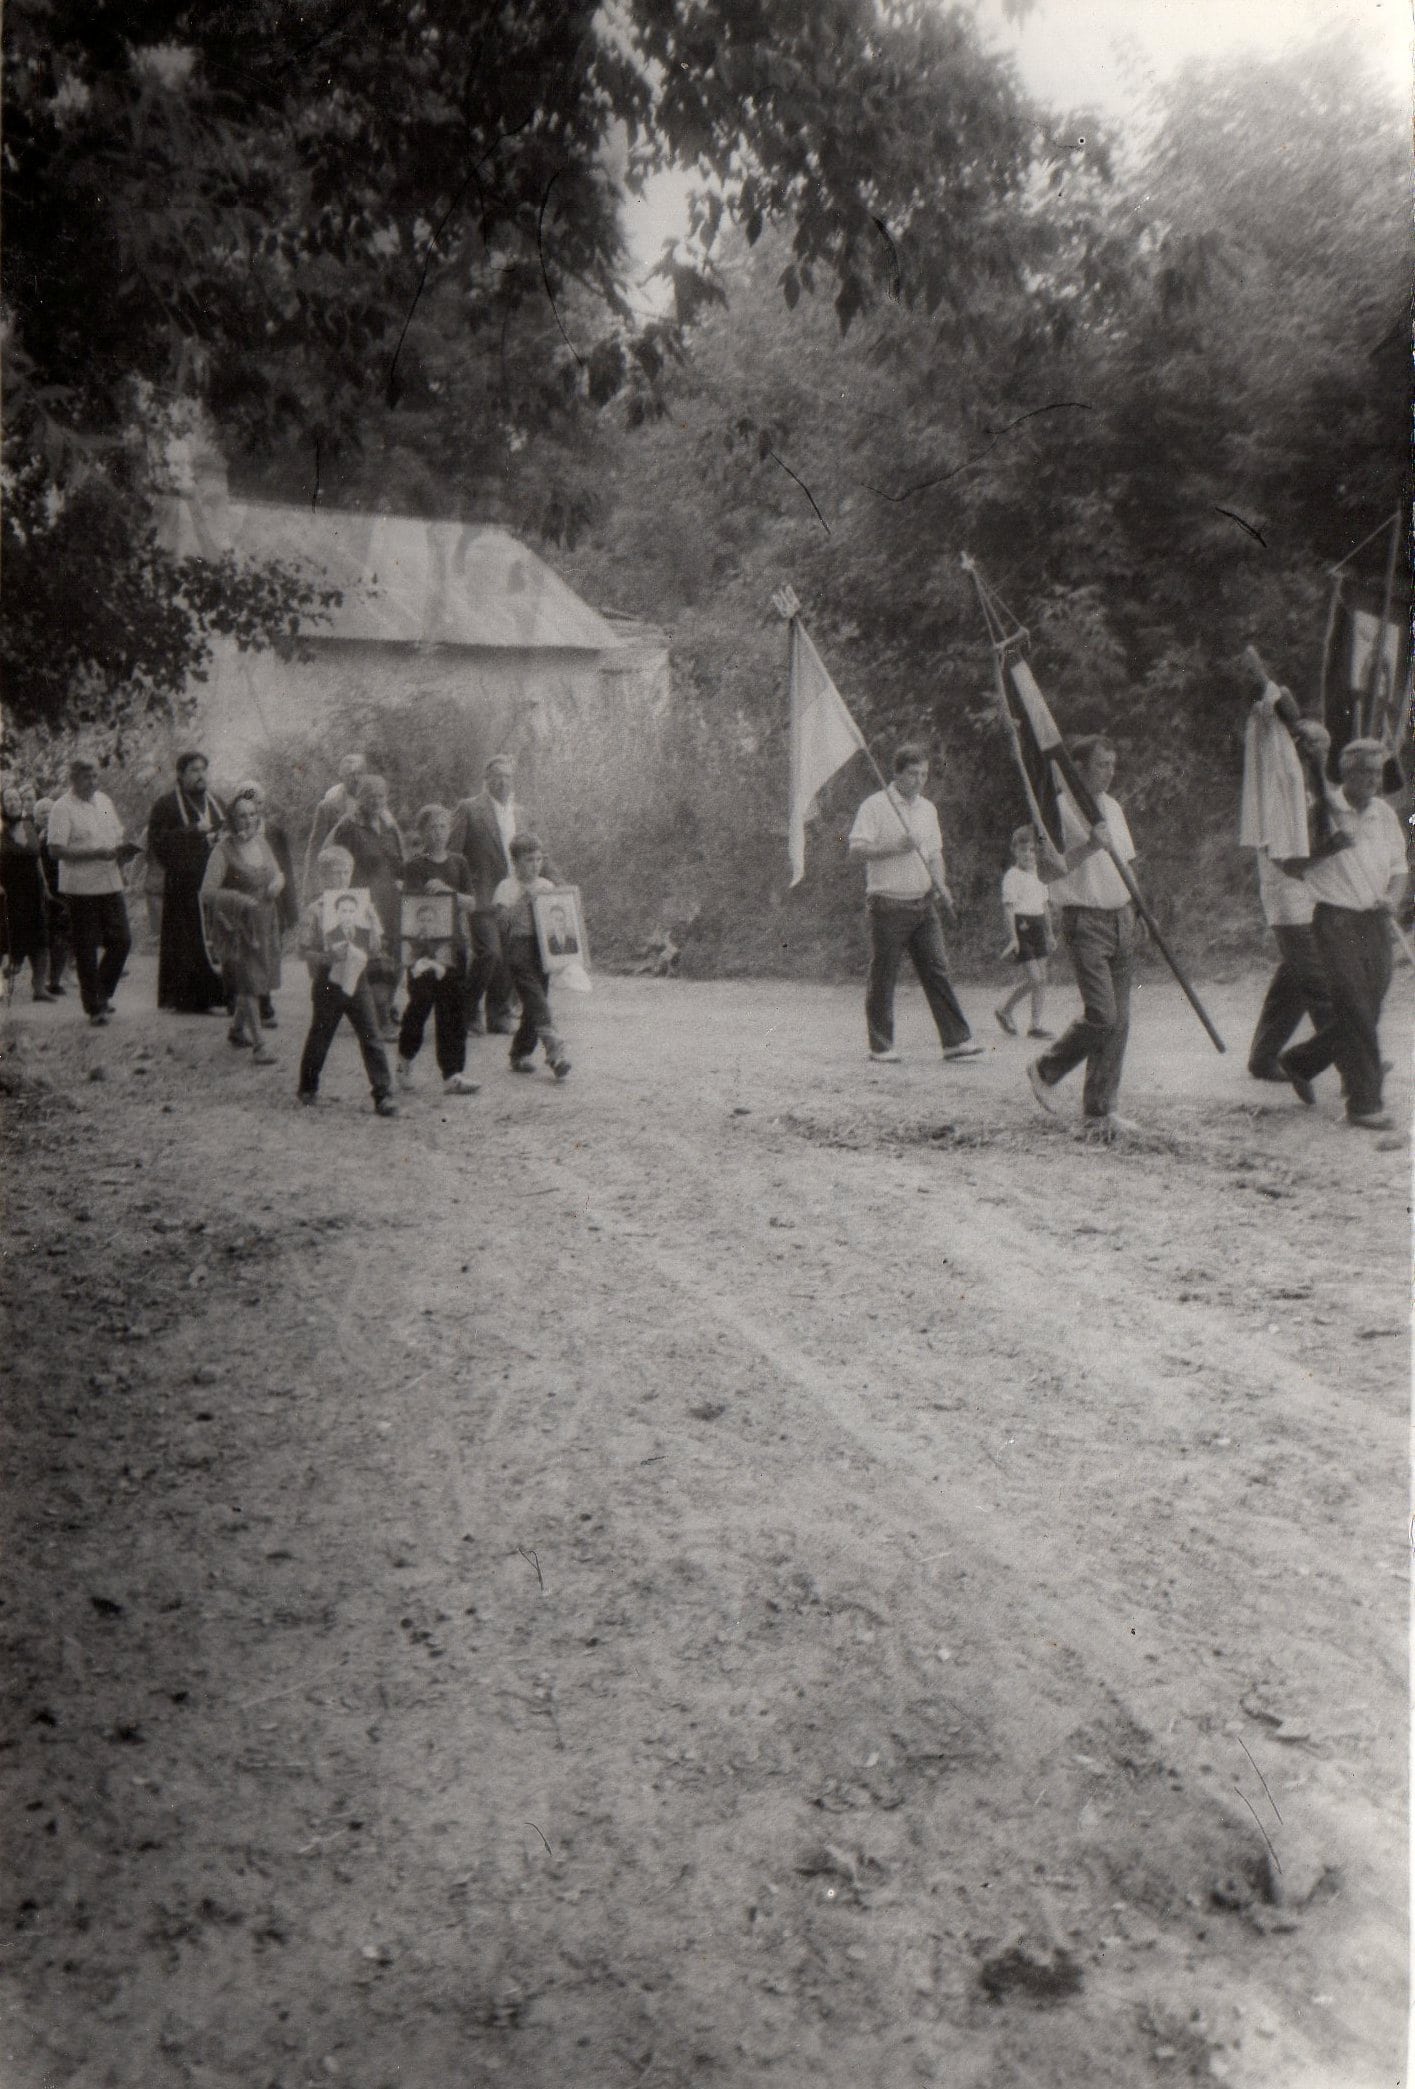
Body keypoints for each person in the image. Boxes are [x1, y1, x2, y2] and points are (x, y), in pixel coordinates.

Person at [1277, 739, 1408, 1130]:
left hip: (1375, 920)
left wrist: (1393, 899)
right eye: (1363, 771)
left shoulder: (1383, 814)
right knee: (1355, 1007)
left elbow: (1400, 867)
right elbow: (1290, 865)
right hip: (1336, 920)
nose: (1371, 779)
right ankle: (1364, 1103)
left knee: (1368, 1008)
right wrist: (1329, 848)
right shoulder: (1323, 810)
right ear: (1345, 772)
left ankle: (1302, 1061)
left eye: (1376, 772)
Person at [1026, 736, 1140, 1134]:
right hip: (1085, 920)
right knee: (1103, 1015)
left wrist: (1139, 906)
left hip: (1121, 917)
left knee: (1120, 1021)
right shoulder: (1056, 812)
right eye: (1100, 765)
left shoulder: (1113, 809)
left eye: (1112, 764)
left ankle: (1099, 1109)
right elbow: (1046, 872)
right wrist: (1090, 846)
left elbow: (1127, 864)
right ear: (1077, 769)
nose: (1108, 773)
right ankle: (1046, 1068)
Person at [846, 744, 982, 1065]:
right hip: (887, 904)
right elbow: (855, 852)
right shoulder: (875, 806)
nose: (919, 780)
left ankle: (955, 1041)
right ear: (897, 773)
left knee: (937, 969)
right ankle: (881, 1046)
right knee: (884, 974)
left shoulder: (928, 810)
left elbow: (935, 855)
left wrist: (942, 883)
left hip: (923, 903)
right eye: (913, 773)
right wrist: (894, 847)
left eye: (924, 774)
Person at [296, 846, 398, 1115]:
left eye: (345, 872)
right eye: (334, 873)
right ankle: (308, 1087)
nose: (341, 878)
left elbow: (376, 945)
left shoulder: (363, 906)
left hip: (358, 978)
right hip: (328, 981)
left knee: (371, 1033)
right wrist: (326, 956)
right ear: (322, 876)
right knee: (321, 1034)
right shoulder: (316, 910)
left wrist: (375, 938)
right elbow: (302, 950)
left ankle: (383, 1093)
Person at [44, 756, 134, 1026]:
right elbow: (55, 850)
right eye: (86, 777)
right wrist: (94, 852)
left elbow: (114, 834)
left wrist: (121, 852)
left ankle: (101, 993)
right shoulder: (62, 808)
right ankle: (95, 1007)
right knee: (86, 947)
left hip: (109, 881)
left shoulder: (104, 802)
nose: (93, 782)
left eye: (96, 776)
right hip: (81, 887)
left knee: (122, 940)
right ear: (73, 779)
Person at [396, 805, 479, 1096]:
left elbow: (471, 903)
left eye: (444, 827)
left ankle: (453, 1074)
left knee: (453, 1011)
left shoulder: (459, 863)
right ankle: (405, 1059)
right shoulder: (414, 867)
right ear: (422, 832)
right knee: (420, 1005)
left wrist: (448, 891)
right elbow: (410, 909)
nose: (439, 833)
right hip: (422, 949)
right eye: (432, 827)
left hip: (453, 948)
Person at [200, 795, 286, 1065]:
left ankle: (237, 1030)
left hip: (264, 920)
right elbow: (207, 892)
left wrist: (277, 884)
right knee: (248, 981)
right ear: (231, 819)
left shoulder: (261, 843)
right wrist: (238, 900)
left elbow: (278, 873)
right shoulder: (222, 850)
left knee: (258, 977)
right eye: (241, 815)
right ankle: (259, 1045)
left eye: (252, 814)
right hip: (237, 925)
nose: (248, 820)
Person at [449, 755, 525, 1034]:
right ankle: (467, 1012)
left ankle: (499, 1014)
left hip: (513, 894)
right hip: (480, 895)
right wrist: (456, 892)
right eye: (497, 776)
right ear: (486, 779)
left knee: (509, 954)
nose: (503, 781)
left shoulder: (520, 812)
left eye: (507, 776)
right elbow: (453, 853)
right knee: (489, 953)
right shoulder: (469, 809)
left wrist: (559, 883)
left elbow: (534, 853)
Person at [147, 752, 227, 1012]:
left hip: (213, 882)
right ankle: (187, 999)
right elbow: (158, 843)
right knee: (186, 940)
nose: (201, 774)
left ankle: (218, 995)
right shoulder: (166, 805)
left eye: (204, 769)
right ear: (180, 775)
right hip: (183, 884)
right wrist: (193, 833)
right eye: (194, 770)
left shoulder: (216, 803)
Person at [327, 772, 405, 1036]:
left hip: (391, 899)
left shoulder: (389, 824)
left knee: (395, 953)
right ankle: (379, 1017)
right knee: (374, 956)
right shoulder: (349, 826)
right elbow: (334, 860)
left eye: (381, 795)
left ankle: (387, 1005)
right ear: (359, 798)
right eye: (370, 795)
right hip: (363, 898)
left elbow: (398, 861)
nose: (376, 800)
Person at [492, 833, 571, 1079]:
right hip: (518, 947)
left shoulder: (546, 886)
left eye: (538, 859)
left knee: (534, 1001)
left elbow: (559, 921)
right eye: (528, 860)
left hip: (542, 948)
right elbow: (501, 922)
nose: (535, 865)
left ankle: (520, 1053)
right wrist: (523, 901)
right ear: (515, 862)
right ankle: (555, 1051)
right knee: (535, 997)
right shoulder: (507, 887)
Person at [229, 780, 299, 1028]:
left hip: (272, 903)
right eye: (248, 803)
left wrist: (291, 909)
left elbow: (285, 869)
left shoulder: (274, 833)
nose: (254, 810)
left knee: (269, 953)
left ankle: (256, 1004)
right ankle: (261, 1006)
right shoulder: (230, 837)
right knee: (251, 954)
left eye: (258, 803)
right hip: (244, 904)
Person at [993, 825, 1052, 1041]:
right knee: (1035, 978)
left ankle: (1035, 1025)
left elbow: (1045, 906)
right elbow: (1009, 908)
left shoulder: (1038, 875)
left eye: (1033, 851)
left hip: (1038, 927)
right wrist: (1014, 937)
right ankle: (1004, 1009)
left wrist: (1050, 933)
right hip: (1022, 926)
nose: (1029, 855)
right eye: (1024, 850)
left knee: (1043, 978)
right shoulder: (1012, 876)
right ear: (1014, 850)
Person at [1, 783, 55, 1000]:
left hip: (32, 890)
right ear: (2, 804)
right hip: (8, 893)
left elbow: (37, 858)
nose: (14, 803)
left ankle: (39, 988)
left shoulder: (29, 826)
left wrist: (46, 886)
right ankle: (4, 980)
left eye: (16, 799)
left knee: (40, 937)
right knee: (8, 939)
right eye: (9, 799)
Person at [302, 753, 366, 891]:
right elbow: (315, 849)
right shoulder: (327, 807)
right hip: (338, 877)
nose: (356, 779)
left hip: (365, 877)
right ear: (342, 776)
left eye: (360, 773)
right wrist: (312, 887)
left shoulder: (373, 804)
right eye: (351, 774)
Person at [32, 797, 71, 994]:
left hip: (61, 890)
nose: (47, 816)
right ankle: (43, 979)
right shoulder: (31, 837)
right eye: (42, 813)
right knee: (45, 937)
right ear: (35, 817)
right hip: (40, 892)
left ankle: (55, 980)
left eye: (50, 811)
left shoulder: (61, 834)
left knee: (62, 935)